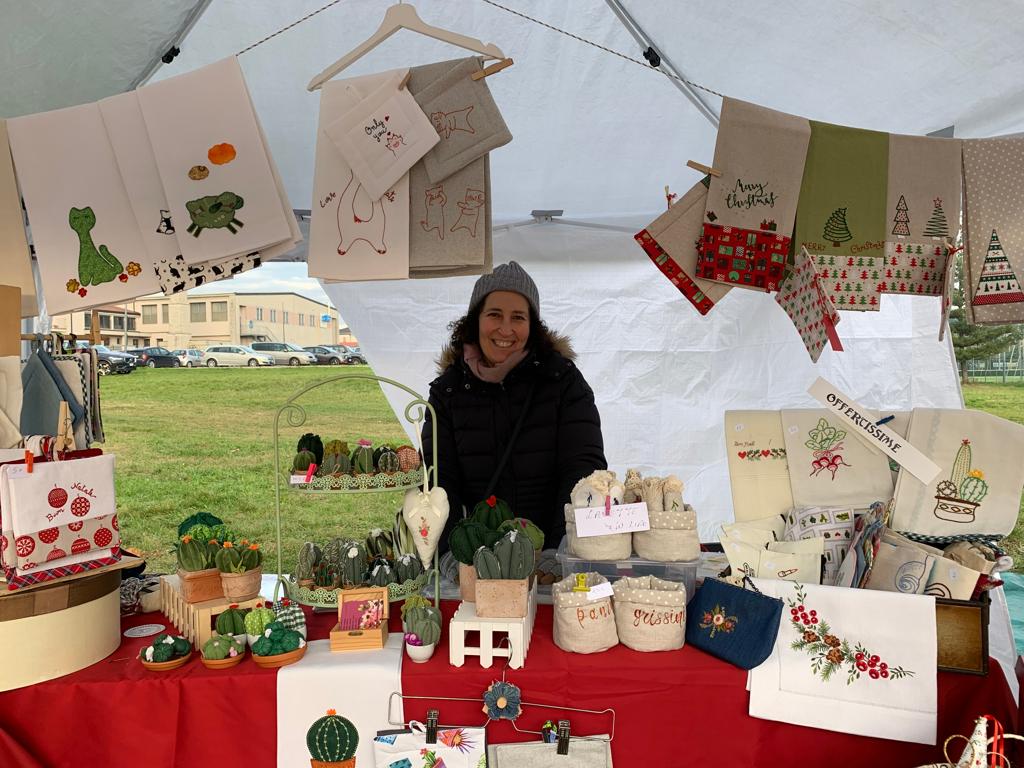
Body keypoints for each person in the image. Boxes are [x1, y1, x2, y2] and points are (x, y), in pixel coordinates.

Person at [422, 261, 607, 551]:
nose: (506, 329)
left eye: (518, 317)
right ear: (475, 319)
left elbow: (583, 471)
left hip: (548, 552)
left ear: (532, 326)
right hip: (477, 556)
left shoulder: (562, 381)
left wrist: (561, 548)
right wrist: (454, 553)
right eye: (494, 314)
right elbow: (439, 481)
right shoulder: (448, 391)